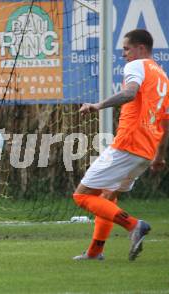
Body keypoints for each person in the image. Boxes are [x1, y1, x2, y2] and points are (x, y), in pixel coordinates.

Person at [74, 29, 169, 261]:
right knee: (108, 196)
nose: (124, 54)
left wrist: (97, 106)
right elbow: (166, 122)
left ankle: (134, 225)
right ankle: (95, 252)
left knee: (83, 196)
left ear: (141, 48)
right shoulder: (163, 78)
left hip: (129, 143)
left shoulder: (137, 65)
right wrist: (158, 155)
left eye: (126, 49)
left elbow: (129, 93)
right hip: (146, 151)